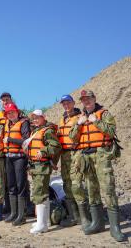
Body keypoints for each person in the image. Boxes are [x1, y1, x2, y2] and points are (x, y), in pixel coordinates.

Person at [69, 90, 126, 242]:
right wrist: (79, 125)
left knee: (108, 188)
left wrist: (96, 121)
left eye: (88, 98)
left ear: (94, 99)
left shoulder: (104, 114)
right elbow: (72, 137)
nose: (86, 101)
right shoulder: (80, 117)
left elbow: (112, 131)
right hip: (86, 157)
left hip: (101, 155)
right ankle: (97, 223)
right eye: (83, 99)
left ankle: (115, 228)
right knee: (91, 190)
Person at [26, 110, 61, 234]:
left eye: (37, 118)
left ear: (43, 117)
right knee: (41, 193)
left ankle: (42, 224)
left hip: (42, 166)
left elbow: (56, 146)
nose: (35, 120)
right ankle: (44, 221)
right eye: (33, 118)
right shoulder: (35, 131)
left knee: (40, 193)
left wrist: (43, 151)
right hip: (35, 166)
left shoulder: (48, 131)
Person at [2, 103, 30, 226]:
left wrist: (10, 140)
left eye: (12, 112)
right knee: (11, 186)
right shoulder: (7, 124)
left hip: (19, 158)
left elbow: (26, 140)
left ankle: (22, 216)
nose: (11, 114)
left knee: (20, 186)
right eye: (8, 113)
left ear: (17, 112)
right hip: (9, 158)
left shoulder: (23, 123)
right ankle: (14, 213)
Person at [56, 95, 82, 227]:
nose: (66, 105)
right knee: (67, 184)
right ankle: (74, 216)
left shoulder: (80, 117)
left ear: (73, 103)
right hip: (64, 155)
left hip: (75, 153)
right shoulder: (62, 119)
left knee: (76, 183)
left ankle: (84, 217)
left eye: (68, 102)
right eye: (63, 103)